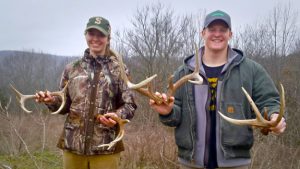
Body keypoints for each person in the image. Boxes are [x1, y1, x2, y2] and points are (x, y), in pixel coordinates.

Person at [150, 10, 286, 169]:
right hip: (191, 163)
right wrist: (167, 112)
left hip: (235, 163)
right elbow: (176, 114)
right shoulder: (184, 72)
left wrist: (274, 116)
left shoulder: (251, 70)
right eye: (212, 29)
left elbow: (269, 101)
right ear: (203, 33)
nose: (217, 34)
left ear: (230, 34)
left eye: (223, 30)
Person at [35, 16, 137, 169]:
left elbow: (130, 105)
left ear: (108, 38)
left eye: (100, 35)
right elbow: (64, 105)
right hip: (73, 147)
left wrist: (117, 117)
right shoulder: (72, 69)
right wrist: (52, 102)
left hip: (106, 147)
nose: (95, 39)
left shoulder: (119, 69)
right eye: (91, 34)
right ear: (85, 35)